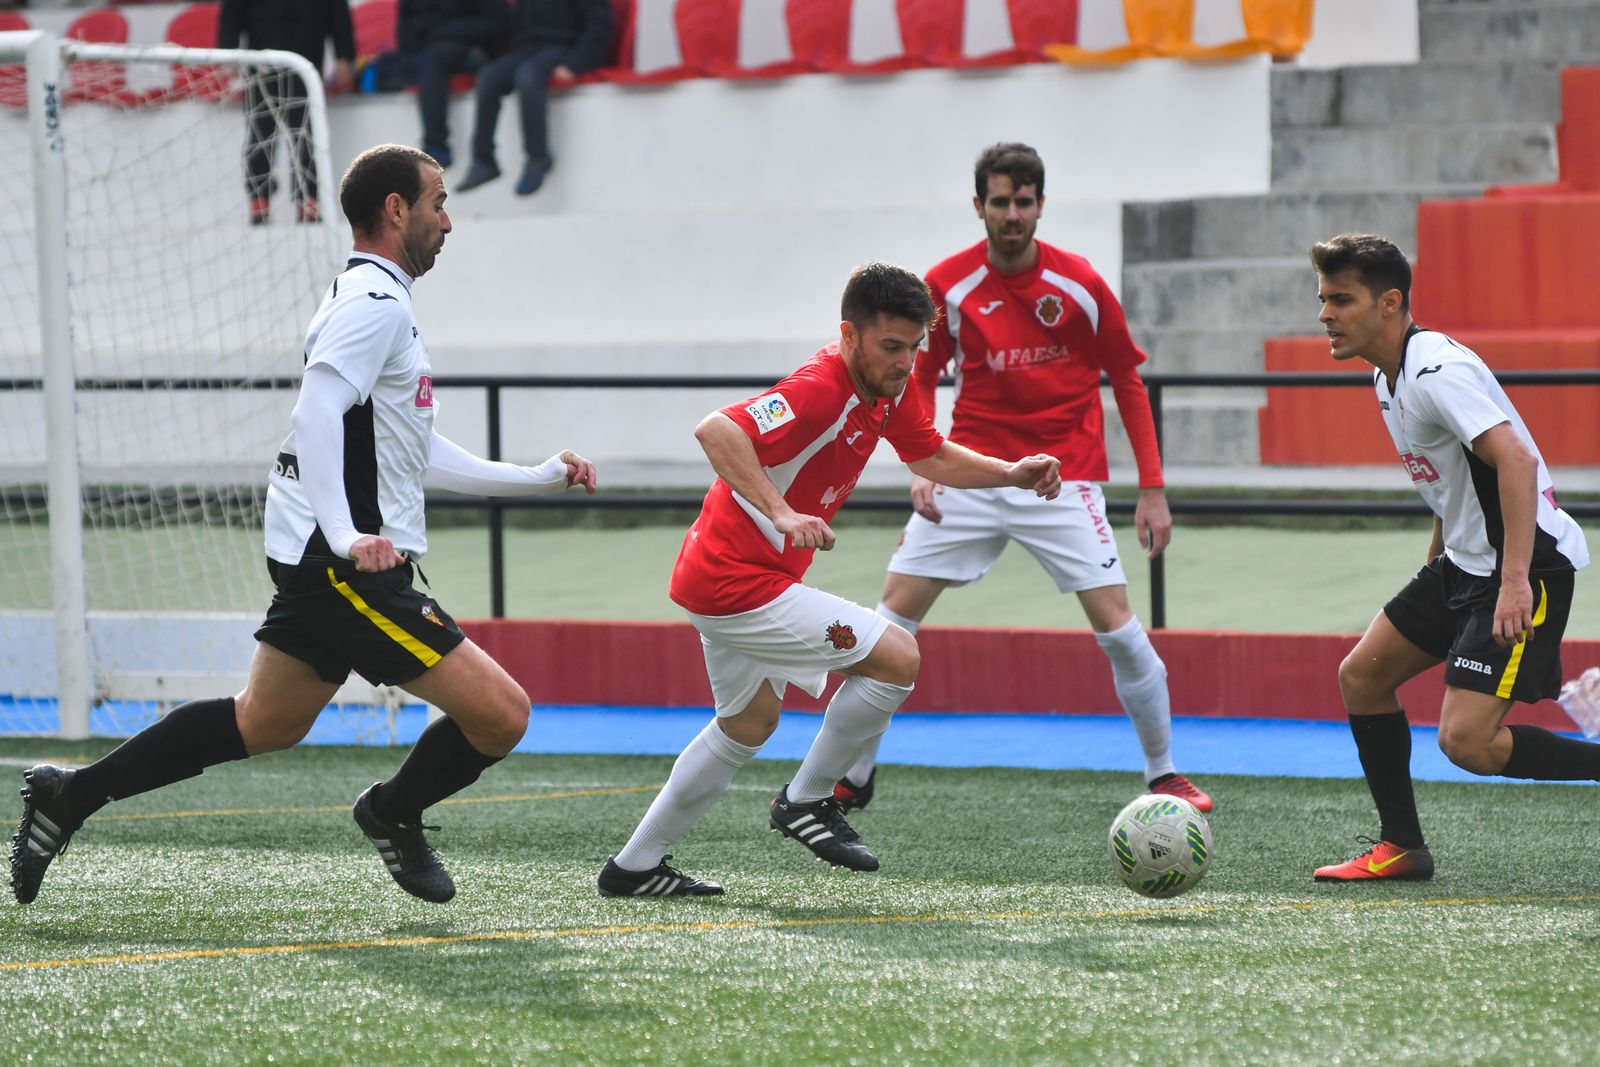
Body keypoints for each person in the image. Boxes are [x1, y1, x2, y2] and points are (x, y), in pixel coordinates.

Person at [10, 144, 598, 907]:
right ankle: (392, 812)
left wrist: (533, 475)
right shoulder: (373, 306)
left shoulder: (375, 300)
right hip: (345, 568)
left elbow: (409, 445)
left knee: (267, 721)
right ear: (396, 210)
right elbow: (313, 412)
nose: (447, 221)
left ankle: (70, 794)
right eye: (438, 203)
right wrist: (351, 537)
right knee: (503, 715)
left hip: (325, 558)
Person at [595, 262, 1062, 897]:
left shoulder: (890, 386)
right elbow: (718, 430)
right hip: (738, 583)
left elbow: (927, 453)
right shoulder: (821, 386)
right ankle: (806, 800)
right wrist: (781, 511)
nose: (904, 362)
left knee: (748, 726)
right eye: (890, 347)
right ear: (849, 336)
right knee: (897, 657)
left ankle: (634, 867)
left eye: (915, 347)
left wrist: (1013, 473)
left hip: (726, 578)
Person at [836, 143, 1212, 816]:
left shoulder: (1081, 284)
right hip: (971, 474)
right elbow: (915, 376)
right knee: (889, 621)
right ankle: (854, 772)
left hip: (1063, 480)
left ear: (1041, 204)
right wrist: (921, 465)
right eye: (1001, 201)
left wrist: (1152, 487)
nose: (1013, 214)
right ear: (978, 205)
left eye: (1025, 201)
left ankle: (1164, 771)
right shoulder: (944, 288)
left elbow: (1126, 376)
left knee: (1120, 628)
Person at [1309, 233, 1591, 882]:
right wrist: (1440, 548)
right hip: (1465, 565)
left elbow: (1515, 460)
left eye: (1340, 299)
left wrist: (1514, 581)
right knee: (1363, 676)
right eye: (1323, 298)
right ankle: (1402, 847)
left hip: (1528, 566)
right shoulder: (1387, 376)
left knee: (1467, 743)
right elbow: (1448, 472)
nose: (1324, 313)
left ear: (1389, 303)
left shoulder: (1438, 370)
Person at [218, 0, 357, 225]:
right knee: (260, 136)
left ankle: (308, 200)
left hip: (307, 62)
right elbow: (232, 12)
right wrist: (228, 53)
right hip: (261, 65)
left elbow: (338, 12)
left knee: (308, 136)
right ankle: (259, 200)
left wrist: (345, 56)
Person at [454, 0, 613, 196]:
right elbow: (516, 25)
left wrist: (576, 63)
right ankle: (483, 161)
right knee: (488, 78)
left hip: (564, 48)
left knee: (528, 78)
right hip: (528, 50)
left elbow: (599, 26)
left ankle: (538, 158)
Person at [388, 0, 512, 169]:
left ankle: (436, 147)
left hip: (475, 49)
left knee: (434, 59)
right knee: (403, 67)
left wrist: (445, 30)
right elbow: (405, 32)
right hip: (427, 50)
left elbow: (500, 25)